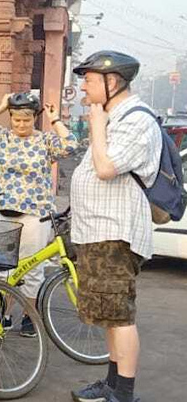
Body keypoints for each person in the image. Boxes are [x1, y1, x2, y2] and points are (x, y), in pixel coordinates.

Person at [69, 51, 159, 402]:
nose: (83, 87)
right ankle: (111, 383)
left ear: (112, 82)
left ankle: (124, 392)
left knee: (120, 315)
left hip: (115, 233)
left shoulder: (138, 121)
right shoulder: (114, 116)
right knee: (108, 313)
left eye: (89, 80)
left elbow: (107, 168)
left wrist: (96, 126)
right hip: (97, 232)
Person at [0, 91, 78, 337]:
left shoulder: (45, 141)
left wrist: (55, 119)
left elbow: (71, 144)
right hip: (1, 212)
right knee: (3, 270)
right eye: (16, 119)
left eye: (26, 120)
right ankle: (3, 316)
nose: (21, 124)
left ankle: (30, 317)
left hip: (34, 214)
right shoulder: (1, 138)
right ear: (10, 118)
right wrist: (0, 105)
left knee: (32, 269)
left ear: (34, 119)